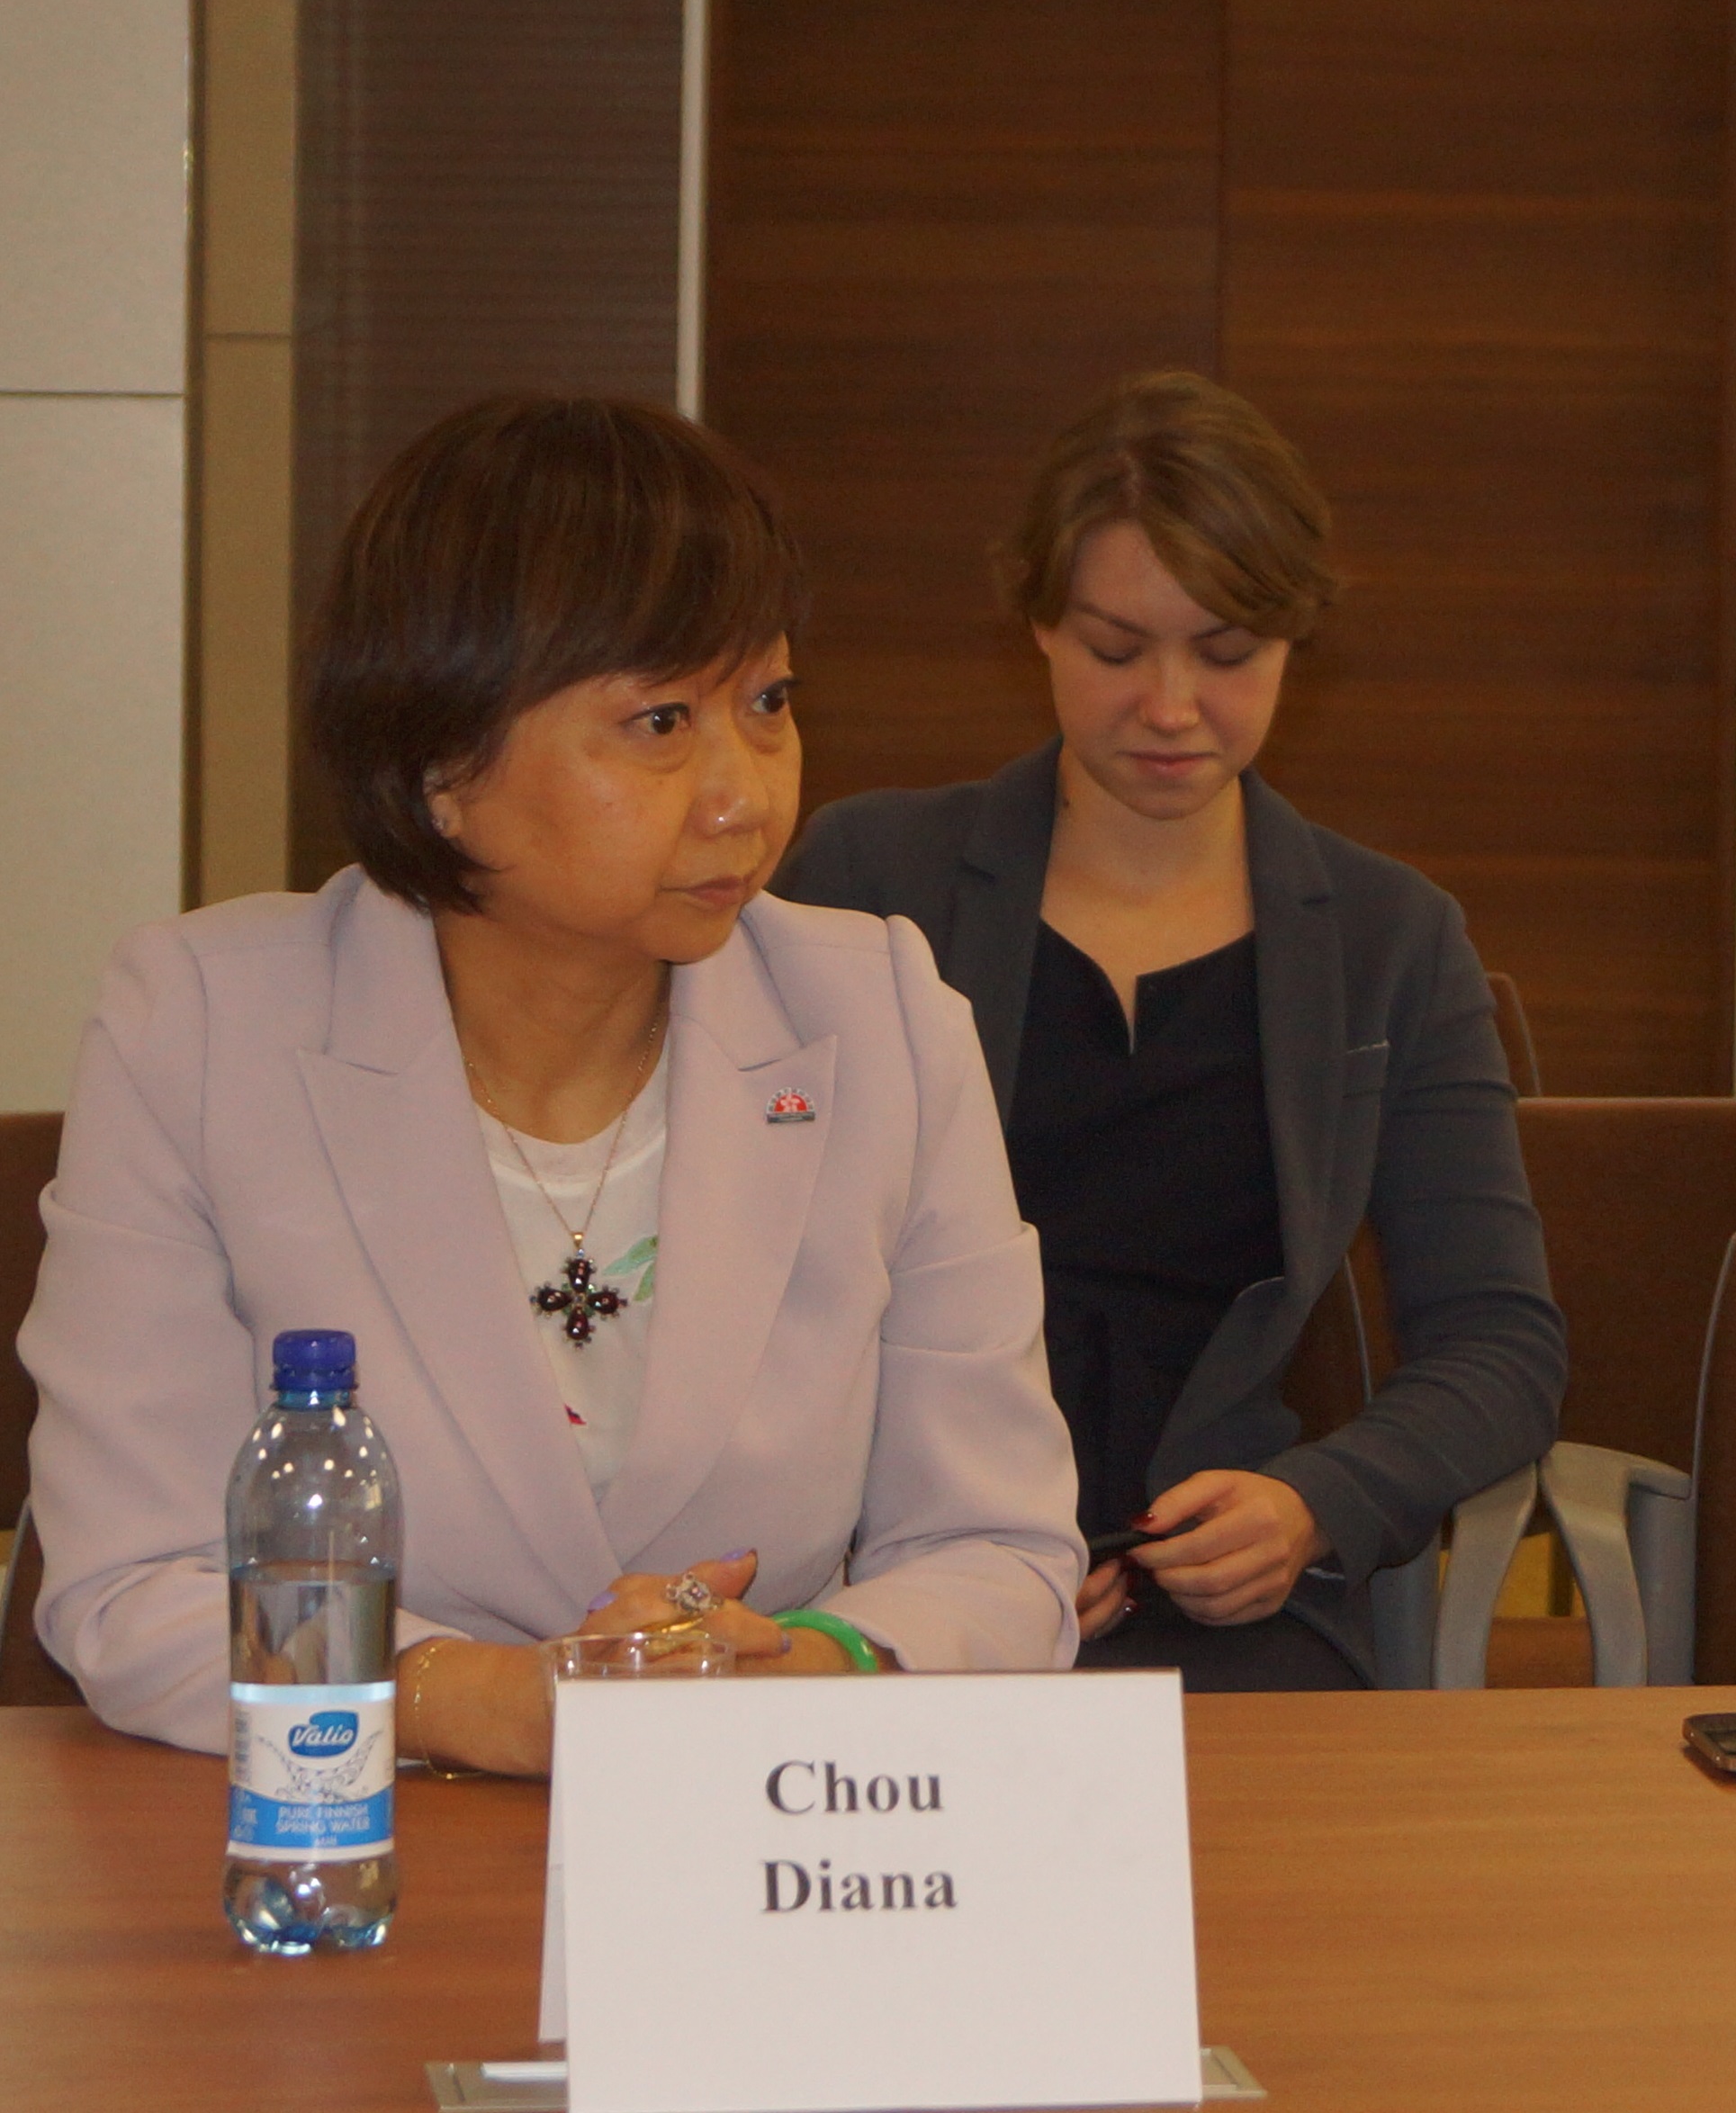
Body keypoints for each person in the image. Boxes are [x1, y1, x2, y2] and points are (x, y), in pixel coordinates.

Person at [22, 395, 1080, 1767]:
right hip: (347, 1827)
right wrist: (491, 1702)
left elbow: (1000, 1550)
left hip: (757, 1829)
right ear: (441, 762)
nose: (745, 794)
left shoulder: (881, 1018)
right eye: (661, 721)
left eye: (767, 704)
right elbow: (133, 1584)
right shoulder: (202, 1029)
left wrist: (803, 1664)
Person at [779, 372, 1563, 1692]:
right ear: (1039, 624)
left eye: (1227, 652)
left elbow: (1503, 1345)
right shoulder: (873, 878)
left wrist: (1316, 1501)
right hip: (905, 1575)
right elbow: (755, 1278)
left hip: (1229, 1602)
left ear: (1294, 643)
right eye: (1115, 649)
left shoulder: (1392, 940)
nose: (1170, 706)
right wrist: (960, 1556)